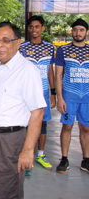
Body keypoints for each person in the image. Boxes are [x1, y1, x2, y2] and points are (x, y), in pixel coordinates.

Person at [0, 22, 45, 198]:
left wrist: (28, 150)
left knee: (6, 191)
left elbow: (37, 112)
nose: (0, 45)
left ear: (18, 43)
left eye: (6, 40)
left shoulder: (27, 70)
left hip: (9, 141)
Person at [20, 15, 56, 172]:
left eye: (37, 26)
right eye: (31, 27)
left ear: (42, 28)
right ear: (28, 29)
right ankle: (27, 156)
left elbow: (50, 71)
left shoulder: (49, 48)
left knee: (43, 123)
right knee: (27, 124)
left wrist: (53, 92)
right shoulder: (22, 48)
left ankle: (40, 154)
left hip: (44, 93)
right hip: (27, 93)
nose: (34, 30)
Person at [55, 18, 89, 174]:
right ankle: (64, 159)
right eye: (75, 30)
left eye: (81, 30)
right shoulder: (64, 50)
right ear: (72, 32)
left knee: (86, 128)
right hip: (69, 96)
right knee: (67, 127)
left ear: (86, 32)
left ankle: (86, 160)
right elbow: (58, 75)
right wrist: (59, 97)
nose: (78, 33)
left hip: (86, 97)